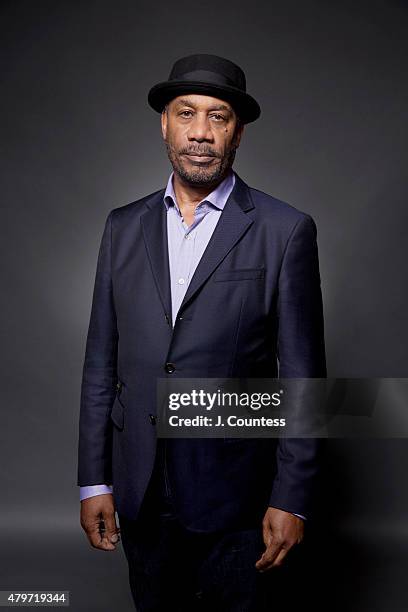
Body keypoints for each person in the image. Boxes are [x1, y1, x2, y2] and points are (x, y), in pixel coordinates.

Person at [77, 53, 327, 611]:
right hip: (139, 486)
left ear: (237, 133)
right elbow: (101, 362)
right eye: (186, 113)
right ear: (163, 123)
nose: (201, 132)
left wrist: (293, 498)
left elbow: (306, 380)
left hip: (238, 495)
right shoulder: (122, 227)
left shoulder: (285, 231)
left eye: (219, 117)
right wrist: (94, 481)